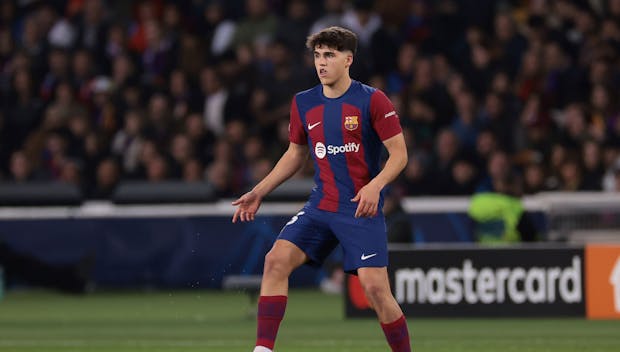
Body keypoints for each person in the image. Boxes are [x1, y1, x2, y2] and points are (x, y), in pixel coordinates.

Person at [232, 27, 411, 352]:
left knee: (375, 290)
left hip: (360, 209)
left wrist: (375, 186)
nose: (322, 62)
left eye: (329, 55)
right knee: (275, 261)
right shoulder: (304, 102)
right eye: (317, 55)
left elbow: (399, 154)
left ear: (348, 59)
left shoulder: (372, 100)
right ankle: (262, 350)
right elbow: (295, 154)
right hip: (321, 207)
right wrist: (259, 191)